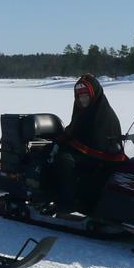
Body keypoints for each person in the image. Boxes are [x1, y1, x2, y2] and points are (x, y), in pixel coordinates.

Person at [51, 74, 124, 212]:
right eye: (79, 96)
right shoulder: (84, 111)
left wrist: (66, 143)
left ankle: (68, 202)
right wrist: (61, 139)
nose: (82, 99)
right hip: (94, 155)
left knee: (64, 160)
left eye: (85, 96)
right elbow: (75, 130)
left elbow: (93, 140)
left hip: (102, 158)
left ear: (94, 95)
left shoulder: (103, 114)